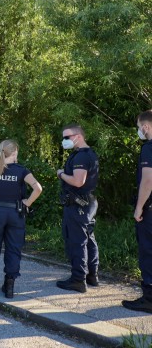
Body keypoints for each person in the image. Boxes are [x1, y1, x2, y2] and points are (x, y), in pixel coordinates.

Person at [0, 140, 42, 298]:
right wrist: (28, 202)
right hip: (16, 214)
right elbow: (38, 188)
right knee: (13, 249)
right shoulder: (22, 171)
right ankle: (9, 287)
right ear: (15, 152)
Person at [56, 124, 99, 293]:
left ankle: (78, 279)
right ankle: (92, 275)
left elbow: (78, 181)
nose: (64, 140)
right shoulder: (89, 153)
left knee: (77, 240)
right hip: (87, 202)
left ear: (78, 136)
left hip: (78, 204)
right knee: (88, 237)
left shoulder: (81, 157)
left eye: (67, 137)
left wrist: (61, 174)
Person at [122, 110, 152, 313]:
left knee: (148, 252)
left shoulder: (148, 148)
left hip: (150, 211)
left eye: (139, 126)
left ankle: (149, 299)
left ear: (146, 127)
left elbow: (148, 181)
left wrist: (139, 207)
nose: (139, 131)